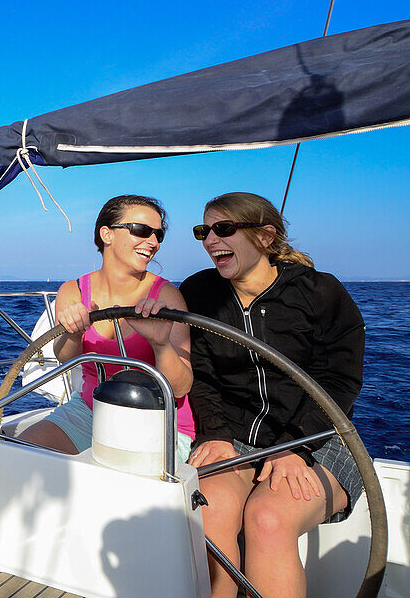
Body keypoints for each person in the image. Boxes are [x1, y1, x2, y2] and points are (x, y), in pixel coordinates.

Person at [181, 192, 365, 598]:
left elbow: (340, 382)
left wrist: (291, 446)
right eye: (203, 231)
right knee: (208, 510)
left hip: (318, 438)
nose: (211, 240)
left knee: (268, 518)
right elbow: (204, 376)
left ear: (266, 237)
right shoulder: (199, 292)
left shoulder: (320, 293)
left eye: (224, 229)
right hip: (235, 434)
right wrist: (213, 434)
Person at [21, 194, 196, 463]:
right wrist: (74, 332)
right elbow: (67, 358)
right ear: (107, 234)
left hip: (158, 418)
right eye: (142, 230)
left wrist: (161, 345)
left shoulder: (167, 297)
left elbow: (181, 388)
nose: (153, 243)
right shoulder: (74, 291)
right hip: (92, 410)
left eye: (158, 235)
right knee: (22, 454)